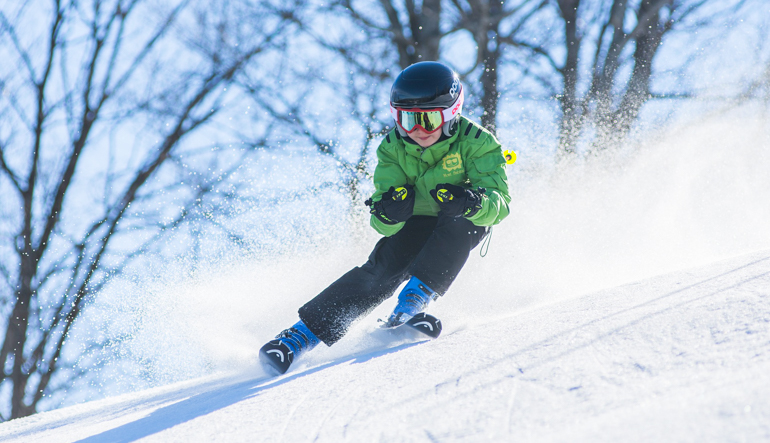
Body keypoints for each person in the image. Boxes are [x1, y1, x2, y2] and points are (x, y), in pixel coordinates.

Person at [259, 61, 511, 374]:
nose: (417, 130)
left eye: (428, 119)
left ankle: (411, 305)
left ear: (451, 114)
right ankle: (298, 338)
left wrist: (472, 202)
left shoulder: (478, 142)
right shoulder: (392, 147)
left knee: (467, 223)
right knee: (381, 270)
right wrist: (390, 212)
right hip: (415, 222)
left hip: (458, 219)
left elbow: (500, 204)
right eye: (407, 120)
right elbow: (380, 221)